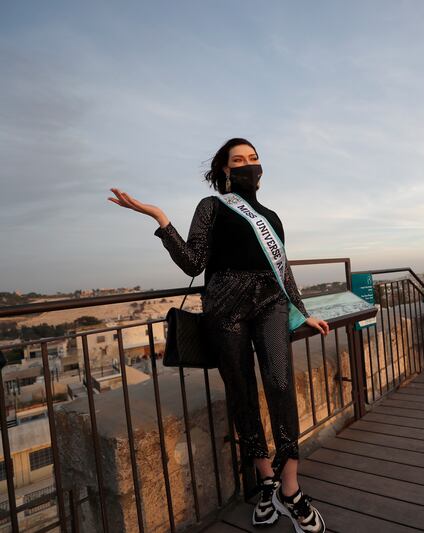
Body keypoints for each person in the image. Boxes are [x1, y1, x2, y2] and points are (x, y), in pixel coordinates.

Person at [109, 138, 330, 532]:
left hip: (270, 305)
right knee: (241, 392)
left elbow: (284, 271)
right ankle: (266, 480)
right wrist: (159, 218)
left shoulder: (273, 217)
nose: (248, 166)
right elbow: (192, 261)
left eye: (253, 159)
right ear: (225, 170)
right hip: (224, 310)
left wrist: (303, 312)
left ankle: (290, 489)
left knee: (280, 385)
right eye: (239, 160)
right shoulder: (211, 206)